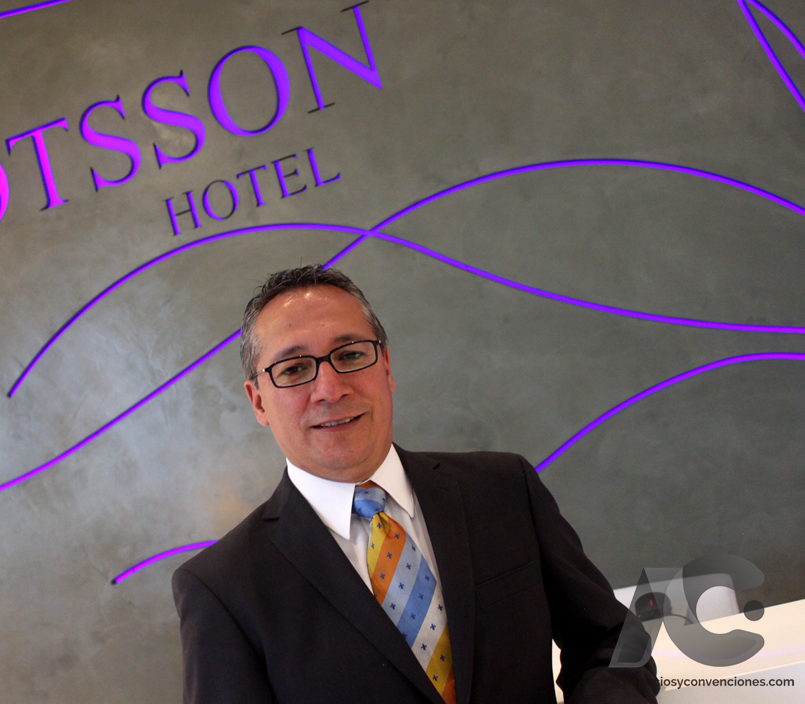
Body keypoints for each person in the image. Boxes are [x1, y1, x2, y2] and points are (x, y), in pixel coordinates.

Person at [172, 265, 659, 704]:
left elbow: (611, 641)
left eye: (350, 354)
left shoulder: (504, 489)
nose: (330, 389)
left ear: (386, 367)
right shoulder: (221, 588)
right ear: (258, 401)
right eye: (295, 369)